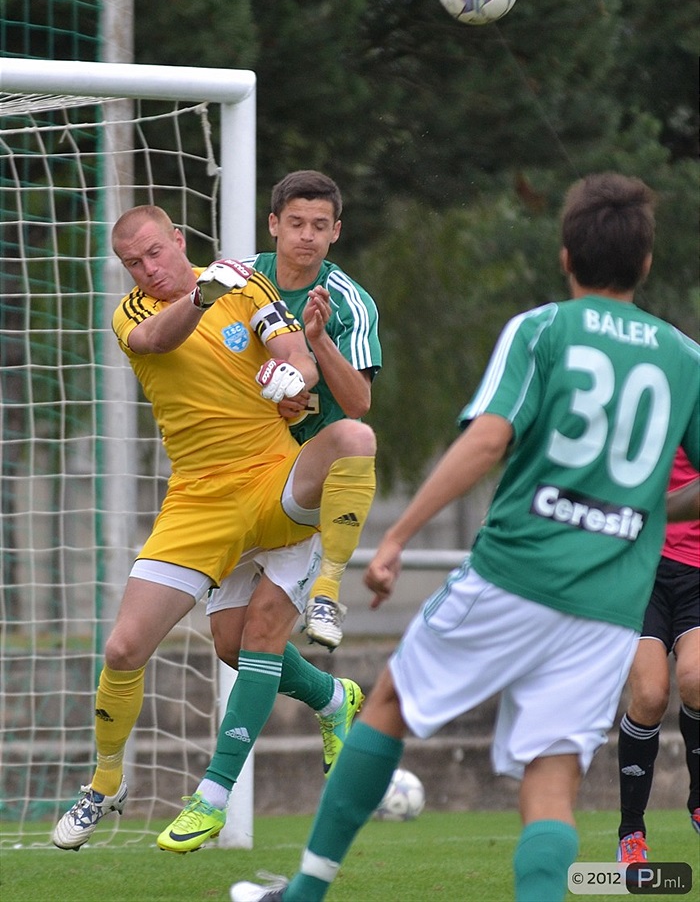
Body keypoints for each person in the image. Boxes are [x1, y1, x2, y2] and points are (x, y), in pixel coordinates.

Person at [229, 172, 700, 902]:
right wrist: (645, 513)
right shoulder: (683, 357)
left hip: (517, 569)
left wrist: (397, 536)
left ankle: (304, 894)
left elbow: (487, 441)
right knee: (551, 782)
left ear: (566, 257)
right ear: (644, 263)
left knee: (389, 705)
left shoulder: (542, 329)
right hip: (610, 602)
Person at [51, 204, 377, 853]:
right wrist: (202, 296)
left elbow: (299, 358)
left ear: (178, 240)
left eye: (155, 252)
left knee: (353, 437)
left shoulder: (245, 285)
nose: (148, 268)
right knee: (128, 649)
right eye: (133, 263)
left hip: (272, 479)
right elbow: (157, 341)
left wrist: (292, 373)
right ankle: (106, 783)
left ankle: (213, 795)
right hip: (198, 500)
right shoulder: (134, 314)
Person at [208, 169, 381, 665]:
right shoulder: (234, 282)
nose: (307, 235)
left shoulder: (348, 301)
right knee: (230, 645)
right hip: (243, 470)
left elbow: (358, 403)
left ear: (336, 232)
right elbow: (205, 367)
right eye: (297, 223)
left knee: (263, 628)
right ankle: (334, 697)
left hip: (307, 477)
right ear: (273, 225)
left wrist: (319, 341)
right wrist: (266, 399)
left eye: (319, 225)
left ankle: (327, 587)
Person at [616, 447, 700, 864]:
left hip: (697, 572)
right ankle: (631, 831)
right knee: (649, 696)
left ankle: (698, 799)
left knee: (697, 680)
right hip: (642, 568)